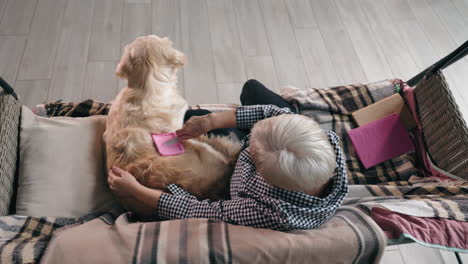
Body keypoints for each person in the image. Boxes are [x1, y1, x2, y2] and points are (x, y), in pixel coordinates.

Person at [108, 80, 348, 231]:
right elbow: (275, 113)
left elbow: (201, 211)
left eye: (251, 152)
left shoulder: (268, 213)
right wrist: (211, 121)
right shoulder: (328, 142)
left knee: (189, 117)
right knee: (248, 90)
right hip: (276, 152)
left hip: (230, 180)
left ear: (263, 175)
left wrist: (134, 190)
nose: (247, 144)